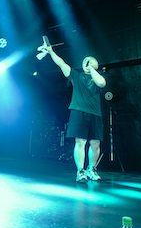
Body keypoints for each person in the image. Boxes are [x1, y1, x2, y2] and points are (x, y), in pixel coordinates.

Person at [40, 44, 107, 183]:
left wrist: (92, 70)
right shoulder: (76, 76)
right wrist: (51, 52)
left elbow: (102, 83)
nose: (86, 63)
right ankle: (80, 171)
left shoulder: (97, 77)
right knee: (80, 141)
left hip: (95, 114)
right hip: (78, 111)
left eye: (90, 61)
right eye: (85, 62)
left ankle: (92, 169)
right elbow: (61, 63)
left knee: (95, 143)